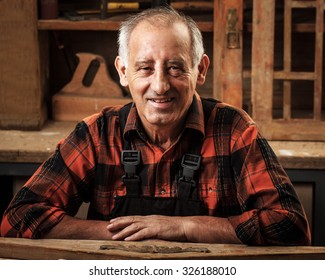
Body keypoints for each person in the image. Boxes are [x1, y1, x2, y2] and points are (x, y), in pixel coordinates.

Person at [1, 7, 311, 245]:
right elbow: (17, 219)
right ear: (123, 72)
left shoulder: (233, 130)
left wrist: (183, 228)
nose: (160, 86)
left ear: (200, 69)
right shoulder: (98, 133)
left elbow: (290, 227)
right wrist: (125, 234)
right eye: (145, 69)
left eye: (175, 68)